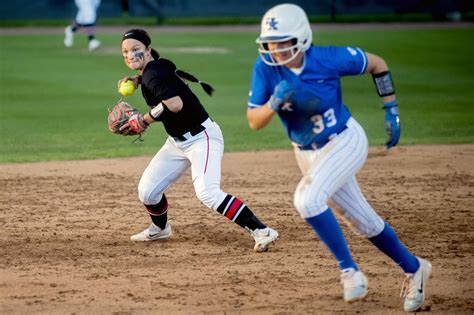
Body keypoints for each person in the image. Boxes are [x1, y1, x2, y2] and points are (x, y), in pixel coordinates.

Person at [246, 3, 432, 312]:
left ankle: (349, 271)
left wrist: (391, 107)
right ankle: (416, 269)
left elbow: (377, 63)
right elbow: (254, 121)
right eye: (270, 42)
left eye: (283, 42)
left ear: (302, 39)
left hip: (345, 140)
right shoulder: (265, 67)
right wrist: (274, 102)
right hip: (305, 152)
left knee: (307, 200)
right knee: (363, 221)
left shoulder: (328, 58)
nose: (275, 49)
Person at [117, 28, 279, 252]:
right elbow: (162, 74)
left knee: (207, 192)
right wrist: (138, 79)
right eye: (125, 51)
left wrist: (143, 121)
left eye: (136, 49)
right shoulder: (155, 68)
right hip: (177, 143)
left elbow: (174, 104)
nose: (130, 55)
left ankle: (262, 230)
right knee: (147, 191)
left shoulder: (153, 73)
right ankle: (161, 229)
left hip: (202, 139)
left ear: (148, 49)